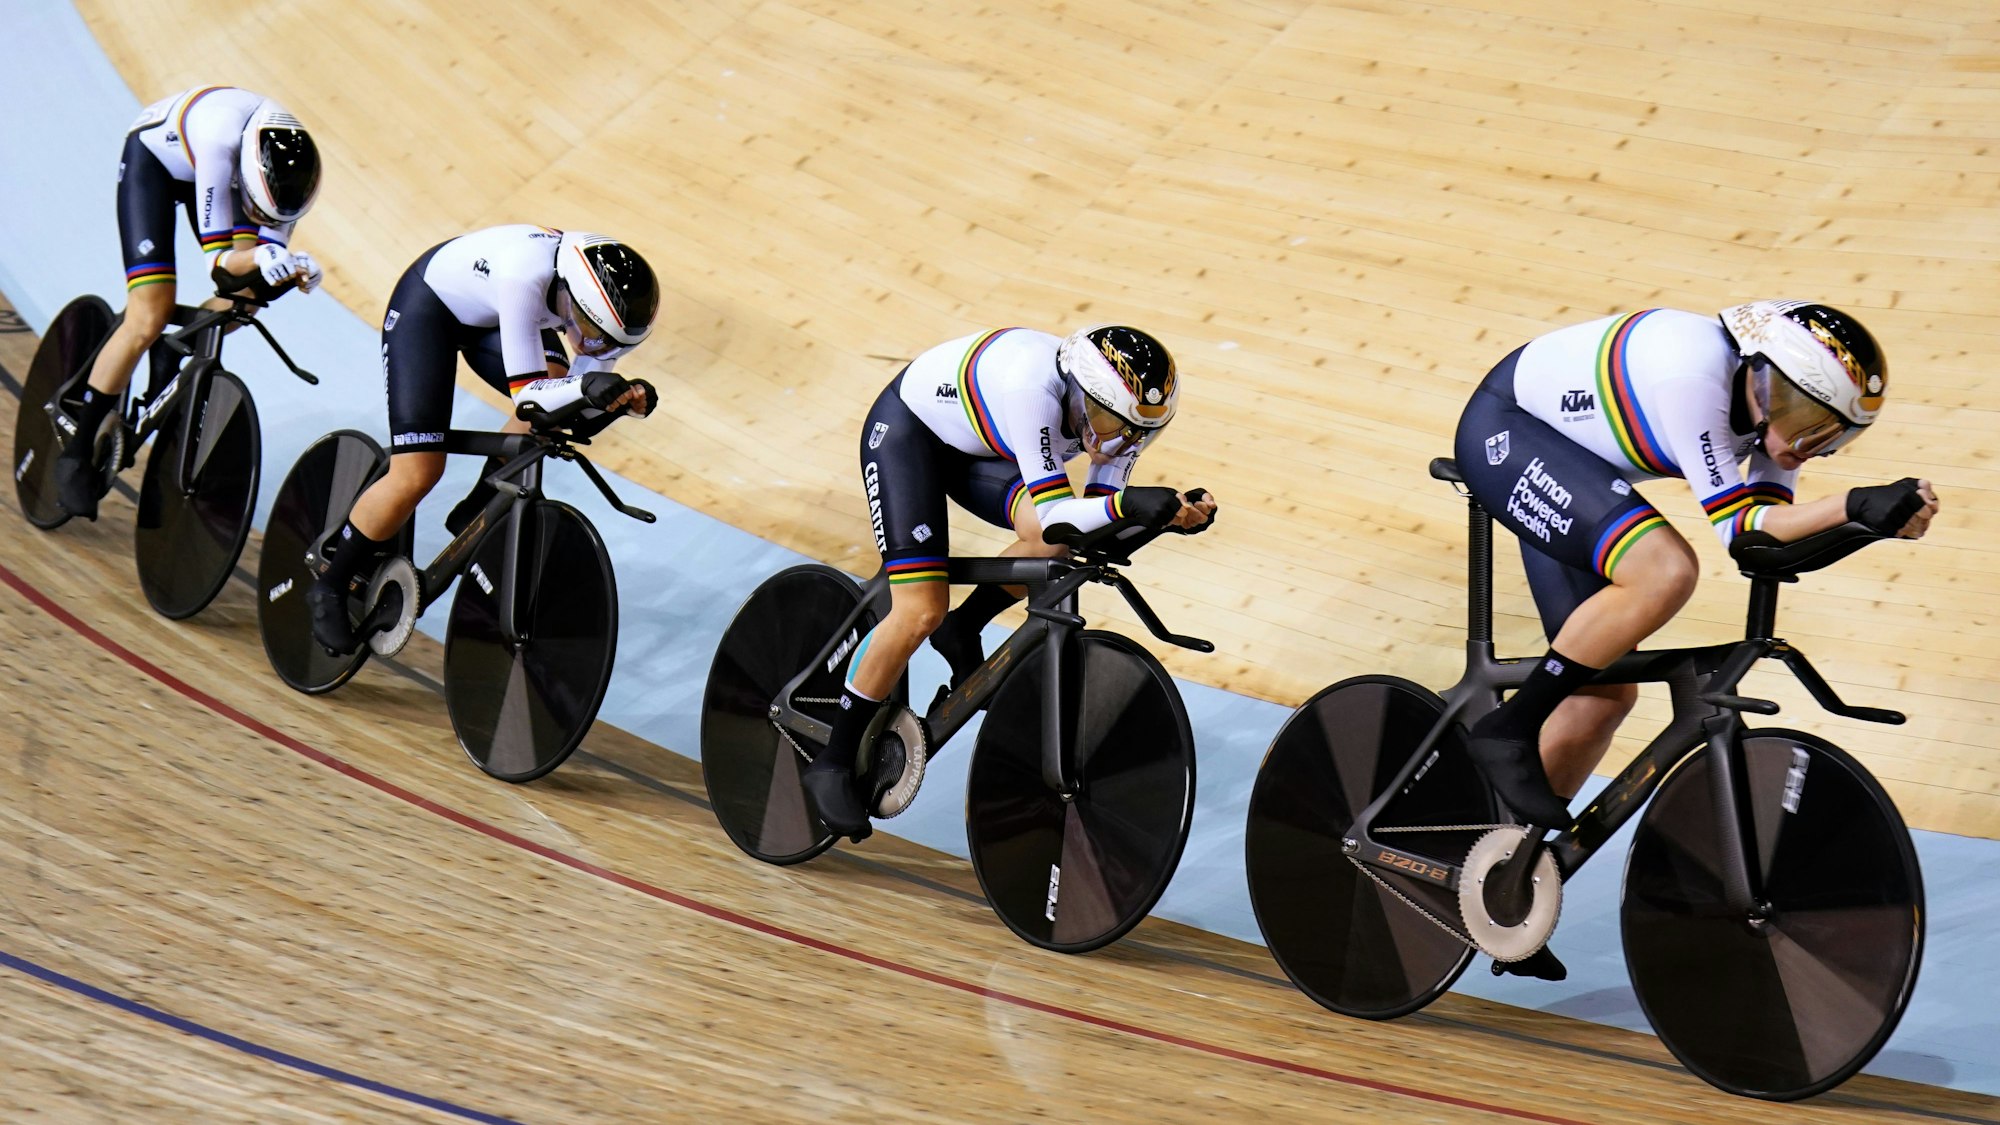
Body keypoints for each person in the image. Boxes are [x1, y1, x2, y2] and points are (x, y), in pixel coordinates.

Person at [1451, 300, 1939, 979]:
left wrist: (1875, 522)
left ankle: (1502, 883)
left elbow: (1768, 541)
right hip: (1511, 430)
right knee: (1666, 570)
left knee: (1602, 697)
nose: (1800, 446)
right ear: (1764, 378)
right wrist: (1855, 502)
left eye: (1827, 434)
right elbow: (1740, 531)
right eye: (1801, 419)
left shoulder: (1769, 405)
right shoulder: (1695, 377)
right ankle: (1510, 727)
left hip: (1578, 466)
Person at [804, 324, 1219, 840]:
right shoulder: (1033, 389)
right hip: (909, 436)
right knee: (918, 609)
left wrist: (1164, 519)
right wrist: (1128, 504)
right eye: (1109, 420)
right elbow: (1062, 513)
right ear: (1078, 389)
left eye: (1135, 430)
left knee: (1058, 546)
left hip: (983, 448)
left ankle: (964, 626)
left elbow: (1092, 522)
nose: (1118, 439)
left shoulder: (1129, 419)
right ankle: (833, 760)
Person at [304, 225, 660, 654]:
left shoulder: (598, 312)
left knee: (557, 391)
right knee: (418, 472)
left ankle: (480, 502)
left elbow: (574, 411)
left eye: (606, 343)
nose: (590, 344)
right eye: (588, 330)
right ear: (571, 296)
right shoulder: (524, 276)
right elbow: (530, 399)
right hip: (428, 310)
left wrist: (618, 401)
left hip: (491, 317)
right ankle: (330, 584)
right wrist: (587, 390)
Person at [57, 86, 325, 519]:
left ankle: (174, 346)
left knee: (247, 300)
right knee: (149, 314)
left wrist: (292, 269)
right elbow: (220, 267)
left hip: (226, 173)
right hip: (156, 165)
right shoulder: (220, 145)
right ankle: (76, 450)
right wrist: (260, 254)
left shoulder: (293, 176)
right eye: (258, 213)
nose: (262, 224)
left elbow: (258, 263)